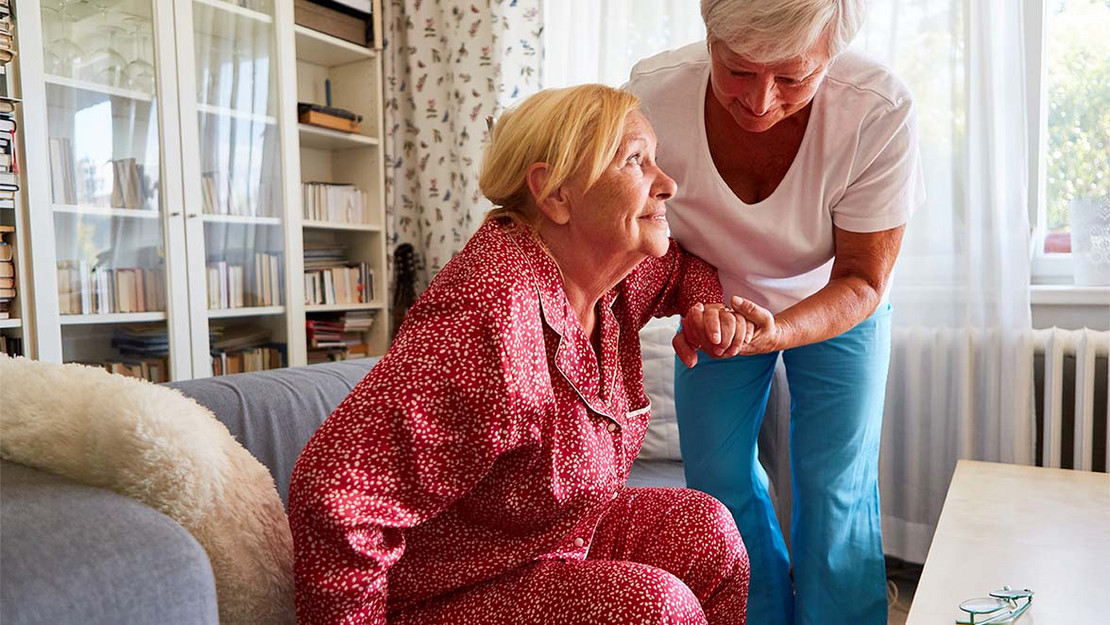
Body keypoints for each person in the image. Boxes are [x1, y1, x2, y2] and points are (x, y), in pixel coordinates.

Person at [288, 84, 753, 625]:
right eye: (634, 160)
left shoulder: (609, 272)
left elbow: (680, 267)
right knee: (654, 607)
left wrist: (703, 309)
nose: (667, 184)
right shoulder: (489, 312)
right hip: (446, 592)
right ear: (555, 194)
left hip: (551, 544)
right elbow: (336, 494)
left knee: (708, 531)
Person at [626, 1, 925, 623]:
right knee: (716, 478)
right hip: (716, 298)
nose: (760, 102)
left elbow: (863, 278)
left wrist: (780, 330)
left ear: (830, 57)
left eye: (792, 77)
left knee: (834, 482)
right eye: (737, 70)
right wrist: (695, 300)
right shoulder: (652, 96)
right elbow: (643, 227)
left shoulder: (878, 109)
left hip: (840, 299)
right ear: (710, 36)